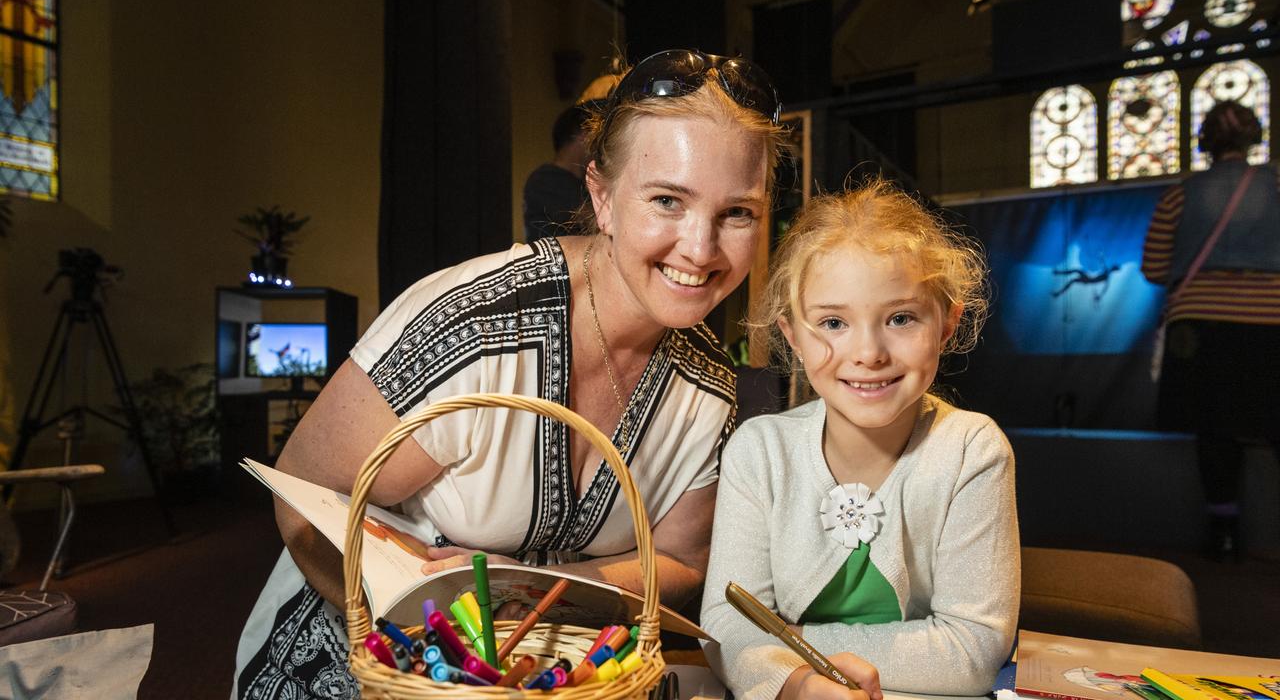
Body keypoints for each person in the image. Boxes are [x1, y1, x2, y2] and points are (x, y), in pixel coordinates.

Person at [233, 49, 786, 699]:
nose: (700, 248)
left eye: (738, 212)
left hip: (548, 668)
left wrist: (528, 589)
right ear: (602, 198)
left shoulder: (711, 386)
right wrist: (434, 652)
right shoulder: (475, 328)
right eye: (668, 200)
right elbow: (302, 495)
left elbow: (681, 562)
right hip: (375, 660)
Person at [700, 181, 1019, 700]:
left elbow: (974, 649)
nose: (868, 352)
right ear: (793, 337)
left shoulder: (971, 449)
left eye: (900, 318)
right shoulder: (759, 452)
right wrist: (797, 685)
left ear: (946, 325)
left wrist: (794, 645)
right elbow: (725, 623)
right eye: (833, 322)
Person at [1141, 100, 1280, 562]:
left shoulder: (1181, 194)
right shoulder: (1276, 183)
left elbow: (1155, 267)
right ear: (1254, 137)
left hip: (1200, 325)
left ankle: (1225, 532)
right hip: (1272, 321)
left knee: (1214, 429)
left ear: (1205, 141)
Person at [522, 103, 592, 242]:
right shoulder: (545, 179)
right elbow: (594, 218)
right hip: (556, 261)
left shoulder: (580, 181)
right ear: (583, 135)